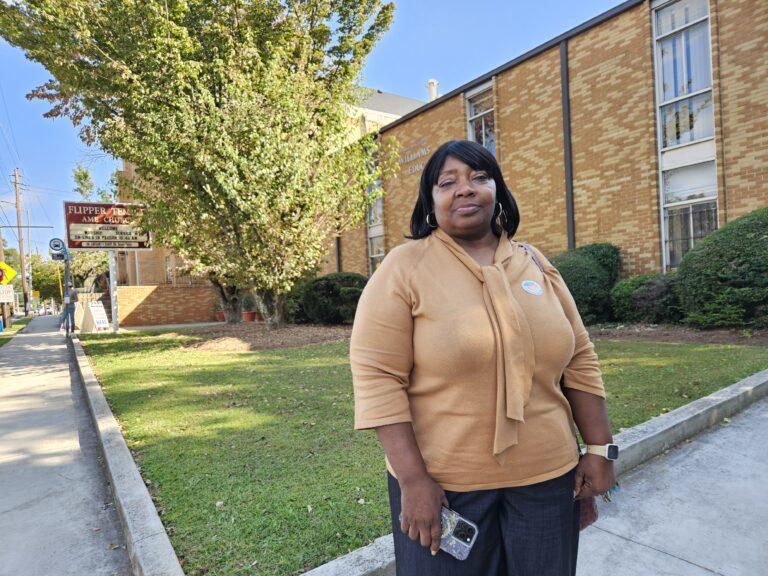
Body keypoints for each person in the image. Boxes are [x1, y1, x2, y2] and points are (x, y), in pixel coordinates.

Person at [350, 140, 616, 575]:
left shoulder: (536, 265)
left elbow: (580, 358)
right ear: (430, 201)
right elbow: (378, 377)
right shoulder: (404, 268)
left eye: (478, 177)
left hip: (549, 481)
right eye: (447, 182)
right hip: (446, 490)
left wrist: (602, 451)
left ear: (498, 190)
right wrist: (413, 481)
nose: (465, 189)